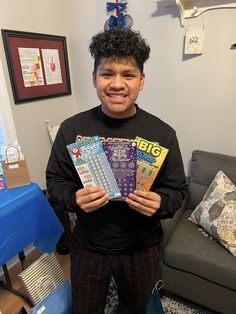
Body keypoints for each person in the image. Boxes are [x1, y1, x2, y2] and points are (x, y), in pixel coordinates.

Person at [46, 27, 188, 314]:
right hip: (88, 245)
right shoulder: (72, 129)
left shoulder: (162, 134)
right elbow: (55, 182)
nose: (117, 84)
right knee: (85, 309)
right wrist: (74, 198)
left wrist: (160, 202)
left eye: (128, 74)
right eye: (107, 73)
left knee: (134, 309)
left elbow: (178, 192)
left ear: (142, 81)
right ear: (94, 78)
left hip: (141, 247)